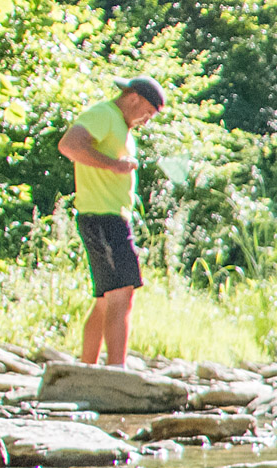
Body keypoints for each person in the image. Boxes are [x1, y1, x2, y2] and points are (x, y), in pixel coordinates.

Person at [56, 76, 165, 367]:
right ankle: (117, 372)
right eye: (148, 113)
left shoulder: (122, 126)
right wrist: (115, 165)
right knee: (122, 294)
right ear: (134, 99)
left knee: (106, 299)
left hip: (110, 216)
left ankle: (87, 368)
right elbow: (69, 145)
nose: (146, 121)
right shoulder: (104, 114)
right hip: (102, 218)